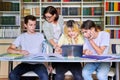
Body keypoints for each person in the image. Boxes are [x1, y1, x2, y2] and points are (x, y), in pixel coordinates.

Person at [7, 15, 48, 80]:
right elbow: (9, 49)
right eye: (30, 25)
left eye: (34, 24)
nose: (33, 27)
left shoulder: (41, 36)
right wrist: (19, 51)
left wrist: (49, 65)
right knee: (12, 75)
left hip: (38, 64)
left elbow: (46, 51)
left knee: (45, 77)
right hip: (25, 63)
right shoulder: (21, 37)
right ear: (25, 25)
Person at [42, 6, 64, 77]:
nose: (47, 19)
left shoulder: (60, 18)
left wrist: (61, 44)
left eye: (49, 17)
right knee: (52, 65)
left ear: (54, 15)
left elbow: (63, 32)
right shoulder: (45, 24)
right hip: (51, 44)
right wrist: (55, 46)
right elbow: (49, 38)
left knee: (59, 65)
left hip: (60, 43)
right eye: (46, 17)